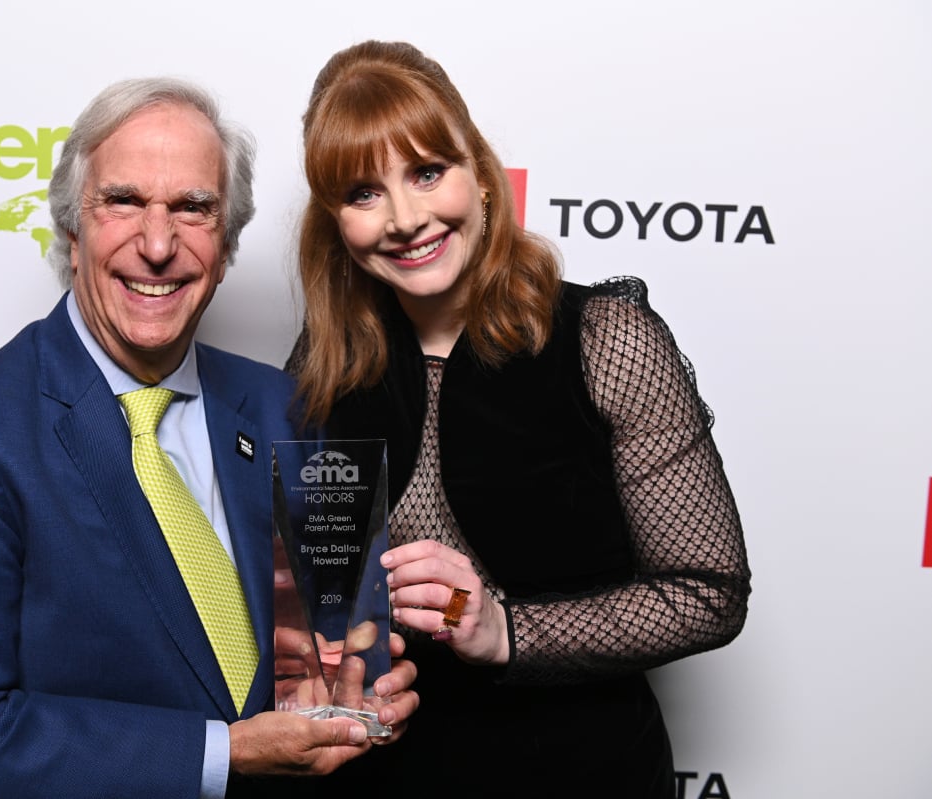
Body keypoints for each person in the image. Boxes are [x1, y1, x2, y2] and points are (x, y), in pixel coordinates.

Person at [0, 76, 418, 799]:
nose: (158, 245)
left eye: (193, 208)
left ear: (225, 243)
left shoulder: (285, 407)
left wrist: (358, 685)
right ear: (71, 225)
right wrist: (226, 754)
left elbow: (319, 644)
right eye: (123, 201)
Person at [286, 40, 752, 797]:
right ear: (335, 222)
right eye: (363, 193)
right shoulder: (328, 360)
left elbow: (707, 591)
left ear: (478, 174)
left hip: (581, 770)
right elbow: (318, 597)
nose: (404, 219)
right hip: (387, 775)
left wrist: (506, 630)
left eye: (426, 172)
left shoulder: (606, 340)